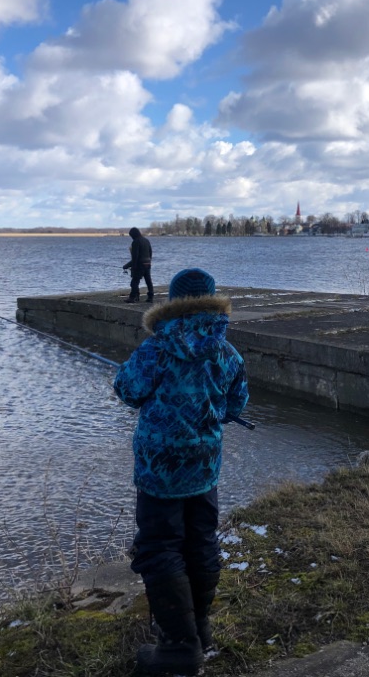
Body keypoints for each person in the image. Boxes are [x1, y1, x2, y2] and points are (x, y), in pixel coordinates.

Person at [113, 268, 249, 676]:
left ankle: (178, 648)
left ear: (172, 303)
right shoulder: (227, 352)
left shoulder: (157, 348)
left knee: (159, 547)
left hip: (159, 470)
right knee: (200, 540)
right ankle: (199, 630)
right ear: (213, 301)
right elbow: (236, 405)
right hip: (204, 466)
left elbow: (128, 390)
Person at [123, 227, 154, 303]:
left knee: (134, 282)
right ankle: (150, 297)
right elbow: (150, 252)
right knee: (148, 281)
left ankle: (133, 297)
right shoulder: (146, 240)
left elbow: (135, 257)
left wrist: (129, 266)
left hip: (140, 264)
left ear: (133, 235)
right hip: (148, 263)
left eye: (131, 236)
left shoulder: (135, 242)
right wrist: (149, 261)